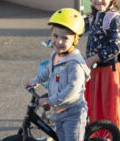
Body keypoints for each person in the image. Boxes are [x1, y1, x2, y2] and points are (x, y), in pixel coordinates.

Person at [24, 8, 90, 141]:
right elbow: (49, 70)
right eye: (55, 36)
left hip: (74, 113)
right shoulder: (56, 54)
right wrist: (35, 81)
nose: (58, 41)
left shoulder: (75, 64)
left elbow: (72, 91)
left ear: (75, 40)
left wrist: (50, 100)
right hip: (59, 111)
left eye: (65, 38)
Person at [84, 0, 120, 140]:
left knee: (110, 105)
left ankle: (113, 135)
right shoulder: (93, 16)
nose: (98, 0)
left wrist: (93, 58)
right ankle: (96, 132)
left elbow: (116, 47)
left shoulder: (114, 18)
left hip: (108, 70)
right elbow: (77, 27)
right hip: (94, 70)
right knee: (94, 102)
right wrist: (59, 33)